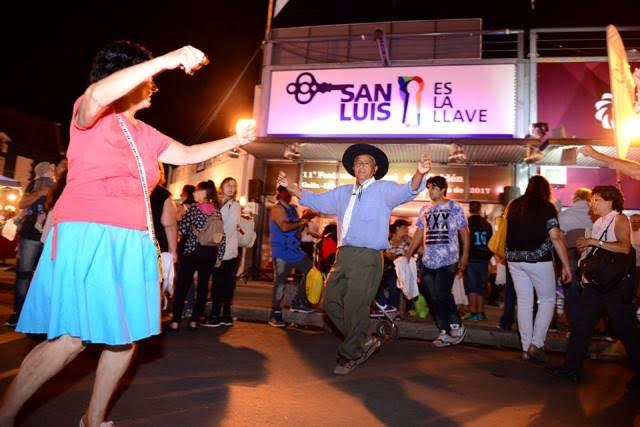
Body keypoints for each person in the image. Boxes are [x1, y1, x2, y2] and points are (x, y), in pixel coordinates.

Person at [0, 40, 255, 427]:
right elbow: (98, 92)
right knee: (70, 339)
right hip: (89, 232)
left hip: (132, 239)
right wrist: (169, 60)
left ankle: (93, 419)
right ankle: (5, 416)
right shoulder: (92, 112)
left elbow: (186, 154)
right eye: (148, 75)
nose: (154, 84)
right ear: (129, 76)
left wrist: (238, 140)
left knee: (126, 338)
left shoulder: (145, 133)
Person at [277, 144, 431, 375]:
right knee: (330, 303)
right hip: (343, 255)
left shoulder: (383, 190)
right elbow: (315, 200)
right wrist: (291, 186)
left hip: (368, 257)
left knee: (355, 306)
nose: (361, 166)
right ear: (353, 167)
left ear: (375, 168)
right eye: (358, 162)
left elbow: (408, 190)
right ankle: (363, 341)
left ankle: (350, 354)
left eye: (366, 162)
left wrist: (419, 172)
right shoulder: (342, 193)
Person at [547, 186, 640, 391]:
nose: (592, 203)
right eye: (592, 200)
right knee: (582, 325)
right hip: (596, 284)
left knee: (627, 330)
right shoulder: (598, 222)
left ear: (610, 201)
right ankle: (571, 370)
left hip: (615, 286)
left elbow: (624, 247)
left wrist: (592, 241)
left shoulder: (619, 219)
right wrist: (587, 250)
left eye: (597, 200)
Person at [505, 176, 571, 363]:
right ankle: (537, 344)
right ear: (545, 190)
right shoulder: (546, 207)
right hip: (538, 259)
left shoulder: (514, 205)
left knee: (524, 302)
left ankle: (526, 349)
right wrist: (566, 264)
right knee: (547, 300)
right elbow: (555, 236)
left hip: (514, 259)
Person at [406, 176, 470, 347]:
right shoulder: (425, 209)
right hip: (428, 260)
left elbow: (464, 233)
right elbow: (419, 233)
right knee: (432, 296)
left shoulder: (455, 207)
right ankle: (444, 330)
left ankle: (455, 324)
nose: (430, 190)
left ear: (443, 189)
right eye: (429, 187)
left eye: (433, 187)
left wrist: (464, 256)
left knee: (442, 293)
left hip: (449, 259)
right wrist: (408, 253)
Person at [3, 162, 55, 327]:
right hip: (31, 235)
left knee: (47, 277)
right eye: (54, 167)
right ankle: (18, 313)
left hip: (53, 235)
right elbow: (22, 204)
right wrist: (41, 192)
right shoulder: (37, 183)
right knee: (24, 274)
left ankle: (40, 316)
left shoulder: (65, 185)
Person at [170, 180, 225, 331]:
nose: (194, 193)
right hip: (209, 252)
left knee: (182, 285)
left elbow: (181, 229)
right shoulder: (216, 211)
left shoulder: (193, 209)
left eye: (197, 191)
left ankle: (175, 321)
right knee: (202, 287)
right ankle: (194, 320)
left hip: (192, 251)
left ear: (203, 193)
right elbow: (221, 236)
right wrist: (219, 257)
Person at [267, 186, 315, 328]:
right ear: (280, 193)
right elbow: (284, 227)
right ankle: (275, 313)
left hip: (295, 250)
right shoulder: (277, 209)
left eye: (290, 191)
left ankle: (298, 301)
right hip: (282, 251)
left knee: (311, 271)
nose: (289, 193)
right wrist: (303, 221)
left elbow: (296, 229)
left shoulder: (293, 209)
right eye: (286, 191)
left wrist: (304, 221)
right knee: (280, 282)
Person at [202, 177, 242, 327]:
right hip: (216, 247)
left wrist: (213, 239)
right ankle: (225, 315)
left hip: (226, 250)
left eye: (234, 186)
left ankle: (215, 316)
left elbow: (230, 228)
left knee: (220, 283)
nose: (231, 188)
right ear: (222, 186)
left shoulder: (235, 206)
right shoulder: (215, 203)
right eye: (228, 185)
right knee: (224, 283)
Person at [558, 188, 593, 329]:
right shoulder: (594, 215)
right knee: (588, 292)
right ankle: (587, 324)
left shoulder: (565, 215)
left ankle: (573, 324)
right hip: (590, 258)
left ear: (575, 198)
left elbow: (558, 238)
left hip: (570, 257)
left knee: (571, 291)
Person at [150, 163, 178, 309]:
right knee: (155, 284)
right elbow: (169, 224)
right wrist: (173, 250)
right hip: (156, 247)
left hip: (130, 244)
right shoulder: (162, 194)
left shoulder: (130, 189)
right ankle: (152, 321)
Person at [463, 201, 493, 322]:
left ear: (470, 209)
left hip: (470, 258)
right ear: (480, 209)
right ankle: (481, 312)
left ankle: (473, 312)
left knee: (471, 287)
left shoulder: (467, 223)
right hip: (484, 259)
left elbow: (462, 241)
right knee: (481, 286)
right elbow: (491, 243)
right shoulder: (487, 224)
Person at [374, 219, 411, 313]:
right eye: (405, 227)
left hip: (400, 269)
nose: (407, 230)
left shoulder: (408, 241)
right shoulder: (388, 240)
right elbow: (381, 252)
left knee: (393, 281)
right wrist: (387, 255)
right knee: (375, 279)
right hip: (386, 267)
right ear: (398, 228)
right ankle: (384, 304)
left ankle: (393, 308)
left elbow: (414, 253)